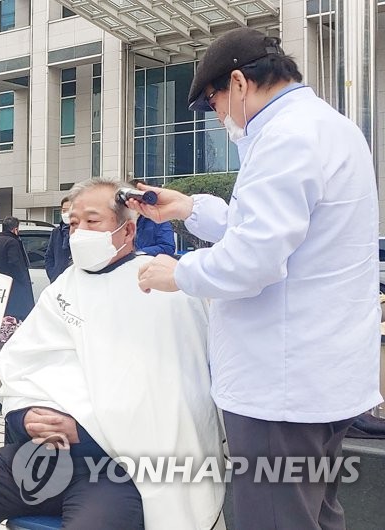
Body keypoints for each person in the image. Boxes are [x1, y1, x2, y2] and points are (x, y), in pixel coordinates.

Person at [132, 28, 381, 530]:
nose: (218, 114)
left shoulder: (285, 138)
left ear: (240, 83)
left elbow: (254, 260)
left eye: (213, 100)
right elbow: (281, 234)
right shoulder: (327, 127)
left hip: (281, 390)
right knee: (317, 514)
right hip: (321, 380)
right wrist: (189, 208)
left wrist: (178, 273)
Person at [0, 178, 223, 530]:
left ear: (127, 230)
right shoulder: (63, 289)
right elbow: (22, 367)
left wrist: (83, 429)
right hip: (44, 459)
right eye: (73, 223)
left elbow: (168, 394)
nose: (80, 232)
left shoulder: (164, 289)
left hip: (115, 469)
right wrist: (25, 417)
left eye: (92, 221)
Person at [0, 216, 34, 321]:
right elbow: (15, 263)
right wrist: (24, 280)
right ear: (15, 229)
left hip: (2, 285)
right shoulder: (12, 242)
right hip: (15, 288)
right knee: (18, 319)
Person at [127, 179, 175, 256]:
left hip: (146, 263)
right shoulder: (120, 219)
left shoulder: (157, 219)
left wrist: (138, 254)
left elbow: (168, 247)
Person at [42, 197, 72, 281]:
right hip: (57, 279)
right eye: (64, 210)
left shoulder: (81, 231)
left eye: (69, 210)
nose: (66, 213)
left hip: (75, 280)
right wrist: (52, 274)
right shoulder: (56, 232)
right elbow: (49, 256)